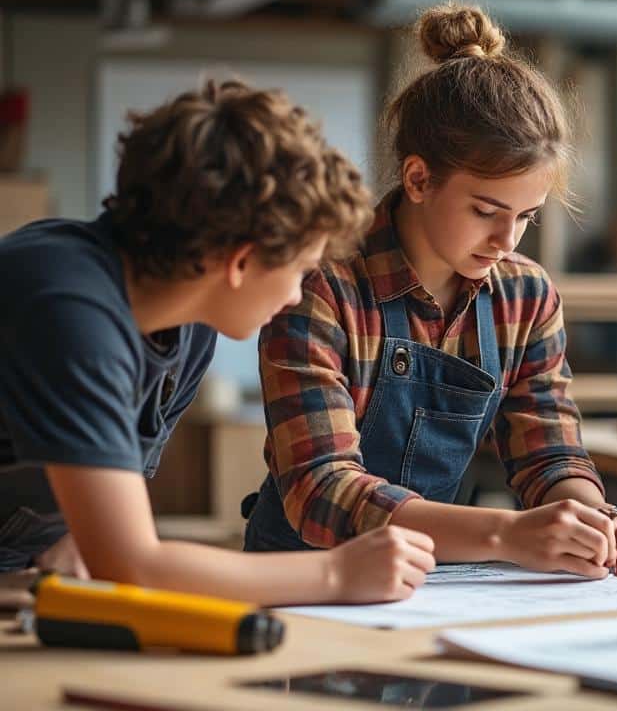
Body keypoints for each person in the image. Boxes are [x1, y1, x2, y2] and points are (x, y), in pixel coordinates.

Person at [241, 3, 617, 579]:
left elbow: (549, 451)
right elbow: (321, 488)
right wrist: (506, 532)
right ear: (418, 179)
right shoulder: (322, 285)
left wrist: (588, 516)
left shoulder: (525, 296)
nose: (506, 240)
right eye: (486, 211)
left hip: (435, 577)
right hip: (304, 579)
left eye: (527, 216)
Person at [0, 80, 437, 604]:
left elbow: (94, 538)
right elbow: (131, 563)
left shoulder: (189, 325)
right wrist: (336, 575)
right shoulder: (67, 308)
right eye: (300, 270)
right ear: (241, 260)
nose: (299, 292)